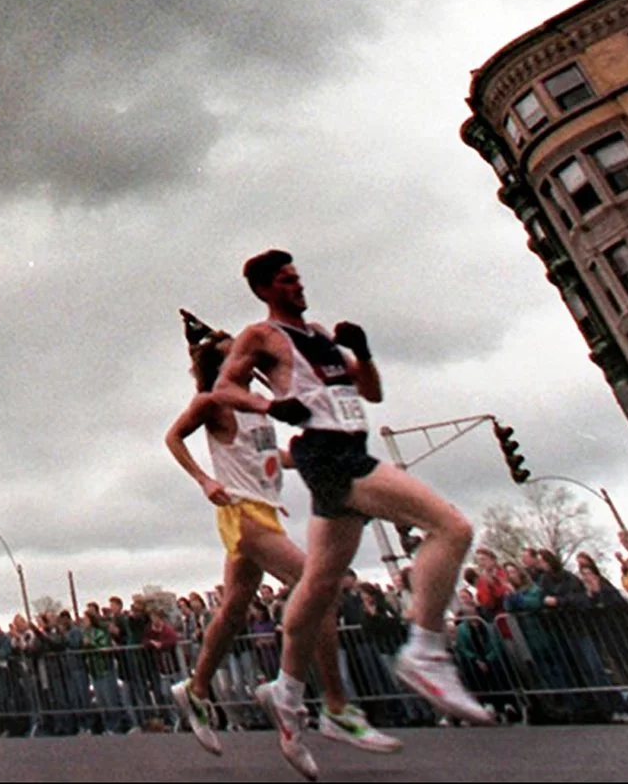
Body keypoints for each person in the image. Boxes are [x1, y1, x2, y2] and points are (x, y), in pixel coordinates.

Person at [215, 250, 493, 760]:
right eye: (285, 280)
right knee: (450, 528)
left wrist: (361, 354)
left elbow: (373, 393)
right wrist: (270, 404)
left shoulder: (319, 334)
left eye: (299, 277)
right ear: (264, 290)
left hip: (351, 445)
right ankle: (426, 652)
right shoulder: (262, 336)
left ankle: (290, 690)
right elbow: (223, 387)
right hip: (329, 453)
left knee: (319, 583)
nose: (297, 286)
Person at [165, 311, 396, 767]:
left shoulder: (257, 405)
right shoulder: (214, 403)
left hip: (267, 512)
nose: (250, 362)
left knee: (233, 609)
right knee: (319, 587)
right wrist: (204, 481)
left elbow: (270, 456)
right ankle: (333, 705)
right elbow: (173, 437)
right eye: (237, 356)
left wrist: (307, 457)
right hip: (242, 513)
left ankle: (195, 689)